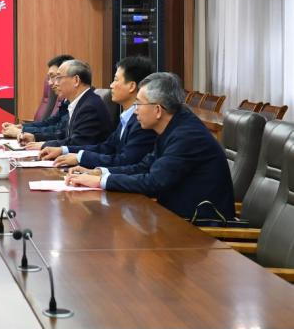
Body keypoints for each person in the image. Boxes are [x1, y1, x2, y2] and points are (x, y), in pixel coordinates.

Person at [66, 73, 236, 219]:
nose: (135, 111)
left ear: (157, 110)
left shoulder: (187, 136)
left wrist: (100, 182)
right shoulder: (173, 125)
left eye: (139, 104)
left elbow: (154, 182)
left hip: (200, 227)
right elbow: (143, 167)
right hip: (175, 218)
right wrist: (100, 172)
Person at [40, 56, 157, 169]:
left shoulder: (142, 121)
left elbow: (125, 161)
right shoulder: (127, 117)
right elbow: (106, 147)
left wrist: (82, 160)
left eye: (116, 80)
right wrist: (64, 150)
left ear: (131, 86)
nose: (111, 85)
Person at [25, 59, 113, 151]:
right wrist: (36, 137)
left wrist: (44, 145)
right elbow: (64, 134)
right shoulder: (80, 102)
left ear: (76, 80)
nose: (55, 83)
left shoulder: (90, 107)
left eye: (59, 78)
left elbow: (77, 142)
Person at [3, 54, 74, 141]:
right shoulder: (67, 101)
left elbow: (59, 132)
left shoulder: (83, 105)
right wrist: (22, 127)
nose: (50, 83)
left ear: (74, 79)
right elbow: (50, 123)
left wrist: (22, 131)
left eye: (53, 76)